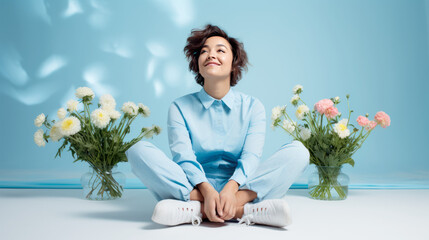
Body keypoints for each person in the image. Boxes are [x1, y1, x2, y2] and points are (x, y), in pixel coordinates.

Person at [125, 24, 310, 228]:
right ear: (198, 64)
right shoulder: (179, 107)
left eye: (220, 50)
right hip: (193, 184)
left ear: (233, 64)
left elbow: (251, 157)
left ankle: (196, 209)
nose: (211, 55)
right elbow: (183, 157)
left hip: (241, 185)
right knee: (138, 151)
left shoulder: (253, 106)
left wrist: (231, 191)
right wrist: (207, 190)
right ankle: (246, 212)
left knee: (298, 152)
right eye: (204, 51)